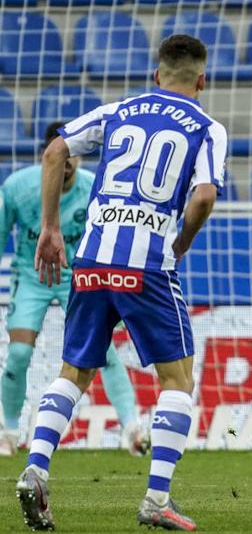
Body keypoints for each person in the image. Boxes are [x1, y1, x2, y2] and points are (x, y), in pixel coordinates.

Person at [17, 34, 227, 532]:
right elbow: (203, 196)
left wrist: (49, 229)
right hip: (148, 264)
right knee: (177, 380)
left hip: (91, 260)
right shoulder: (206, 126)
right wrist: (182, 244)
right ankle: (156, 500)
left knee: (73, 372)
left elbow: (54, 151)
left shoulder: (118, 109)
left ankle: (35, 468)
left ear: (156, 75)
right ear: (202, 80)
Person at [1, 124, 147, 458]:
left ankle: (131, 428)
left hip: (77, 276)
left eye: (71, 155)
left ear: (77, 157)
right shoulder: (17, 187)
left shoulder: (94, 187)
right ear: (45, 155)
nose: (66, 163)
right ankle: (9, 432)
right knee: (20, 354)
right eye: (58, 155)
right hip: (32, 274)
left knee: (104, 352)